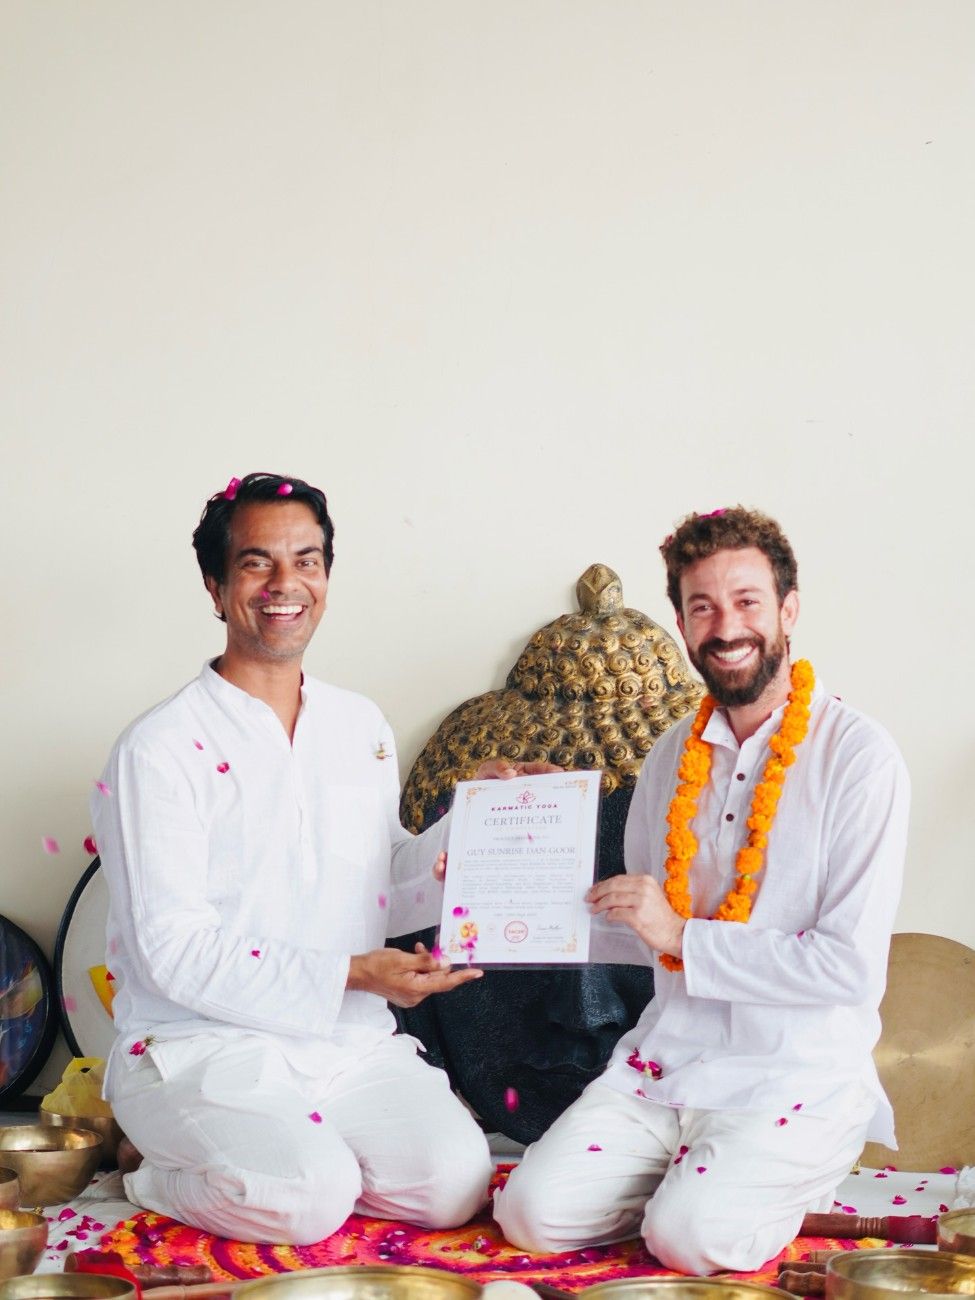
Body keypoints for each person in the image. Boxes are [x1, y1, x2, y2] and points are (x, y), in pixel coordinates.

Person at [91, 471, 504, 1246]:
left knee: (453, 1185)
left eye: (306, 561)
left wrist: (477, 822)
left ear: (325, 577)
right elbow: (172, 951)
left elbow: (383, 881)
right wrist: (351, 973)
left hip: (346, 1043)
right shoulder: (159, 747)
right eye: (257, 563)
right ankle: (145, 1168)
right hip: (201, 1048)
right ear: (216, 588)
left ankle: (282, 1157)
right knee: (306, 1199)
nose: (286, 584)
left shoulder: (358, 724)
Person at [494, 507, 910, 1274]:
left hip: (793, 1077)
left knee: (687, 1238)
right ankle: (693, 1188)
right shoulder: (668, 757)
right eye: (702, 607)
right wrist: (533, 832)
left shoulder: (859, 759)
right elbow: (642, 927)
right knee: (530, 1214)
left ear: (787, 609)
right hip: (667, 1064)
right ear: (682, 626)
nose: (726, 627)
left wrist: (681, 937)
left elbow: (847, 969)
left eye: (746, 601)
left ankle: (750, 1184)